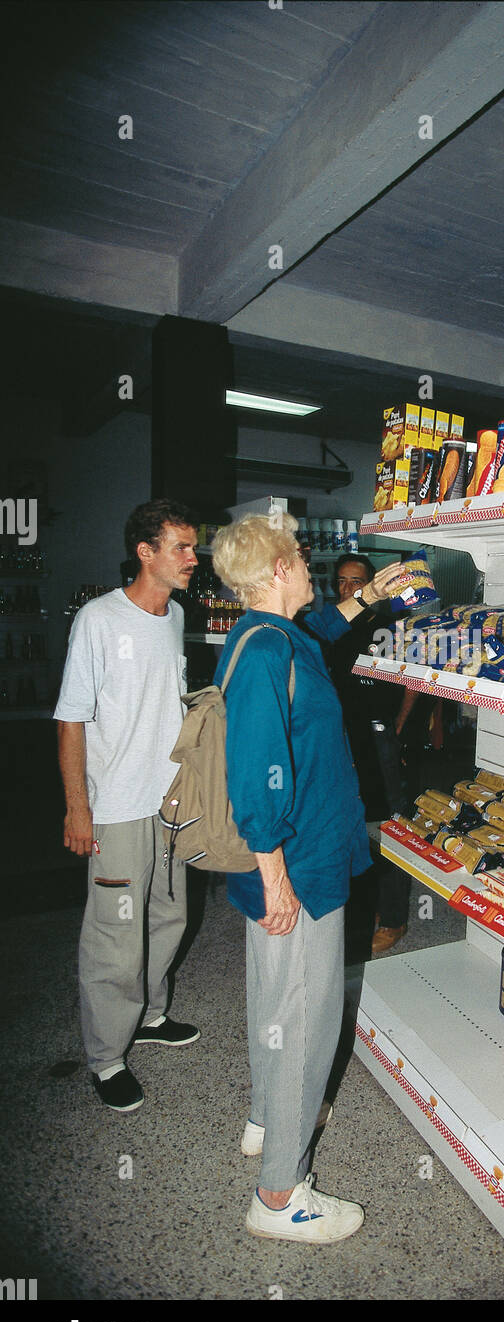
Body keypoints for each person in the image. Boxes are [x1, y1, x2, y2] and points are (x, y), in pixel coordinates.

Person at [210, 512, 403, 1243]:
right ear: (278, 568)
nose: (309, 566)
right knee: (305, 1020)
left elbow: (318, 630)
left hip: (302, 856)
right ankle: (281, 1196)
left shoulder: (275, 636)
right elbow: (253, 777)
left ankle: (265, 1119)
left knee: (274, 1001)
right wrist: (277, 879)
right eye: (297, 555)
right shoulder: (265, 654)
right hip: (297, 865)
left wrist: (369, 595)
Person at [55, 499, 201, 1114]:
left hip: (170, 799)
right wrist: (77, 809)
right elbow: (70, 719)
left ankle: (151, 1013)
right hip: (114, 805)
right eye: (182, 548)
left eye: (194, 548)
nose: (194, 559)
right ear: (146, 551)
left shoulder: (174, 616)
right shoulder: (98, 619)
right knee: (116, 933)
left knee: (169, 915)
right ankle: (107, 1056)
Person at [327, 553, 419, 956]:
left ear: (373, 586)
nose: (350, 589)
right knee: (349, 824)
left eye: (357, 582)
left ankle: (395, 919)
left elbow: (414, 681)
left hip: (379, 737)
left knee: (388, 828)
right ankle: (355, 910)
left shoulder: (391, 627)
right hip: (338, 739)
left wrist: (396, 728)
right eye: (343, 582)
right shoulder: (327, 627)